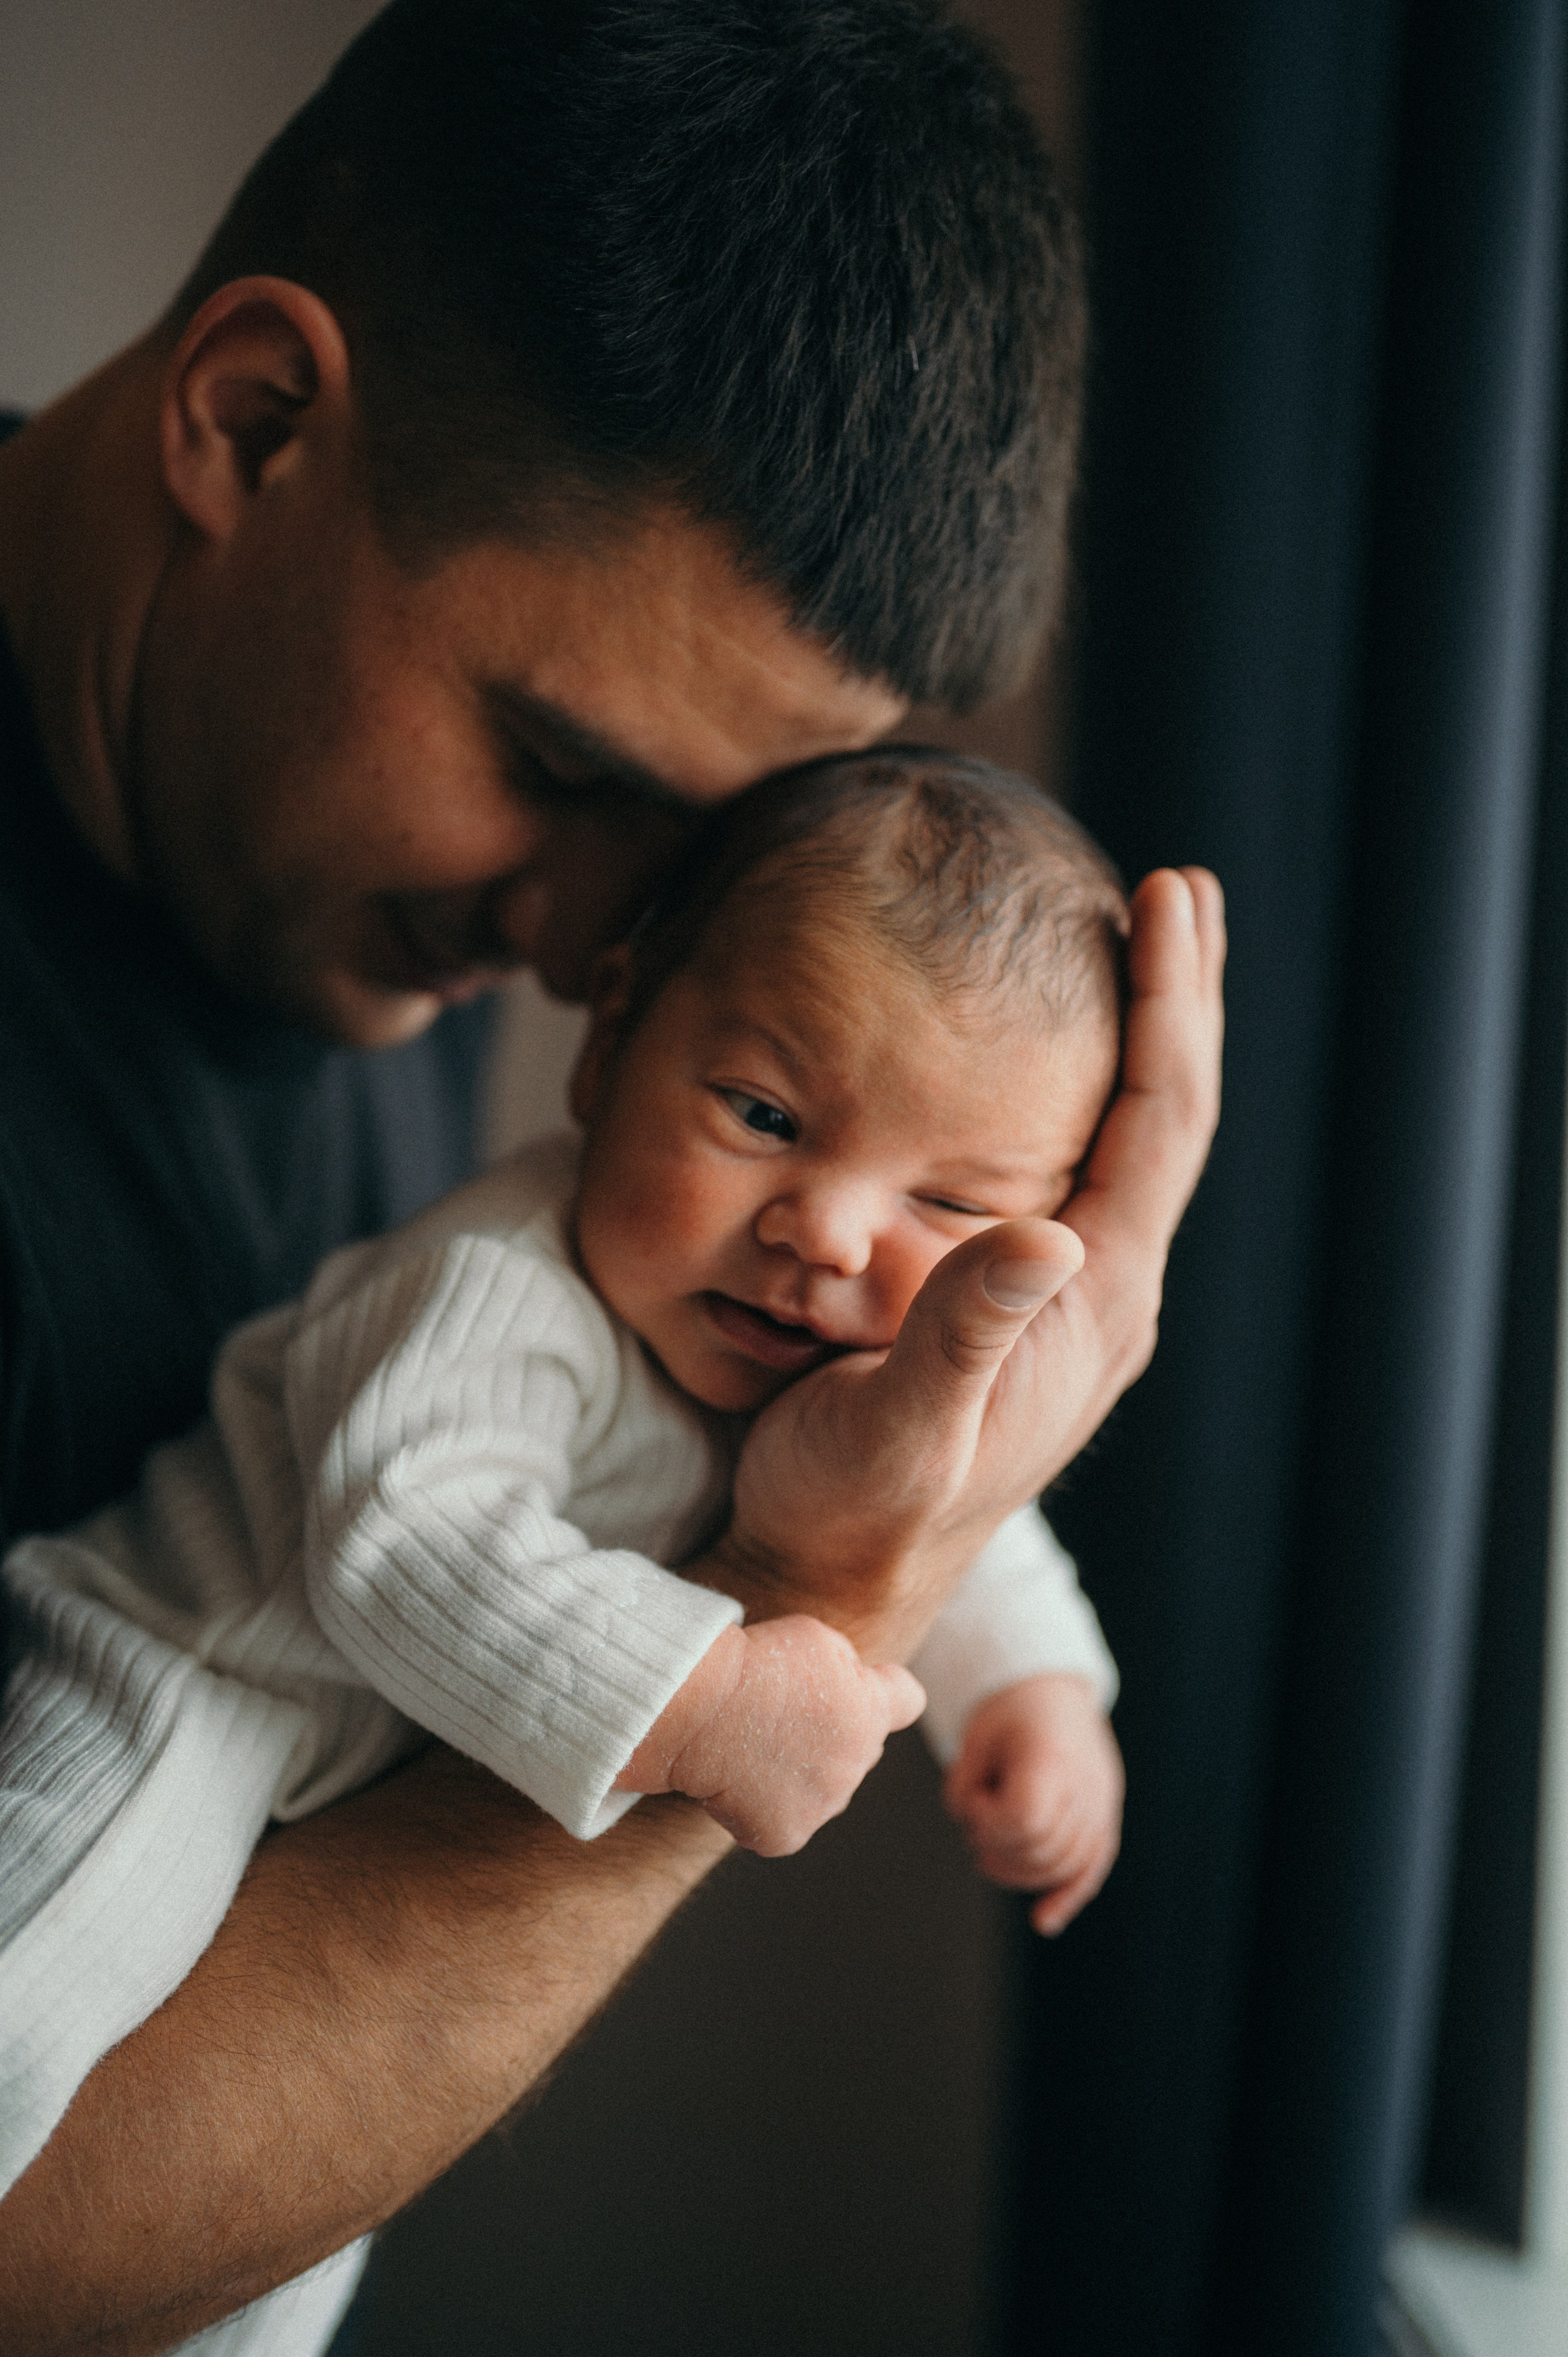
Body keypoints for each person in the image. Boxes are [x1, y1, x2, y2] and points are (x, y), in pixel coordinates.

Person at [0, 5, 1225, 2353]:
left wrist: (955, 1584)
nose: (587, 953)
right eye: (559, 767)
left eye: (685, 867)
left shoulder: (327, 900)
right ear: (254, 423)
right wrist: (814, 1605)